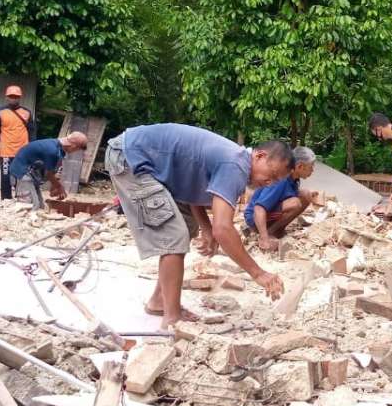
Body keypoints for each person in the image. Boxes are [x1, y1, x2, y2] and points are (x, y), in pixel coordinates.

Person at [105, 123, 290, 328]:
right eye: (272, 174)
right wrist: (259, 273)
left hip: (145, 158)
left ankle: (159, 301)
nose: (270, 182)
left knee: (185, 228)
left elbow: (192, 189)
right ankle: (172, 320)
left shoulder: (234, 161)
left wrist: (206, 229)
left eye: (276, 181)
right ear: (260, 156)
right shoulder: (236, 166)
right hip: (131, 157)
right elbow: (224, 228)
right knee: (174, 236)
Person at [244, 146, 316, 251]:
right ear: (300, 166)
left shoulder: (293, 178)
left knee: (305, 194)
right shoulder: (281, 179)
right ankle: (268, 233)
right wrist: (265, 238)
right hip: (254, 218)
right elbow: (259, 208)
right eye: (311, 166)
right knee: (295, 203)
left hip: (268, 213)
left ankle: (275, 229)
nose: (312, 170)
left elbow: (289, 194)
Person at [8, 132, 88, 210]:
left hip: (31, 174)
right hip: (22, 172)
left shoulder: (59, 149)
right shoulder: (52, 150)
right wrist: (59, 187)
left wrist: (53, 187)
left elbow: (51, 170)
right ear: (73, 146)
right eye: (77, 150)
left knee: (40, 207)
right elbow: (48, 174)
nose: (74, 152)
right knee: (29, 206)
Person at [0, 85, 36, 200]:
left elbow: (32, 132)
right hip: (6, 151)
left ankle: (21, 201)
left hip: (23, 153)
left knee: (21, 177)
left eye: (16, 96)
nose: (13, 99)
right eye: (11, 96)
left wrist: (33, 151)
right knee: (5, 178)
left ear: (19, 98)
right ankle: (6, 201)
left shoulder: (27, 113)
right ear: (6, 97)